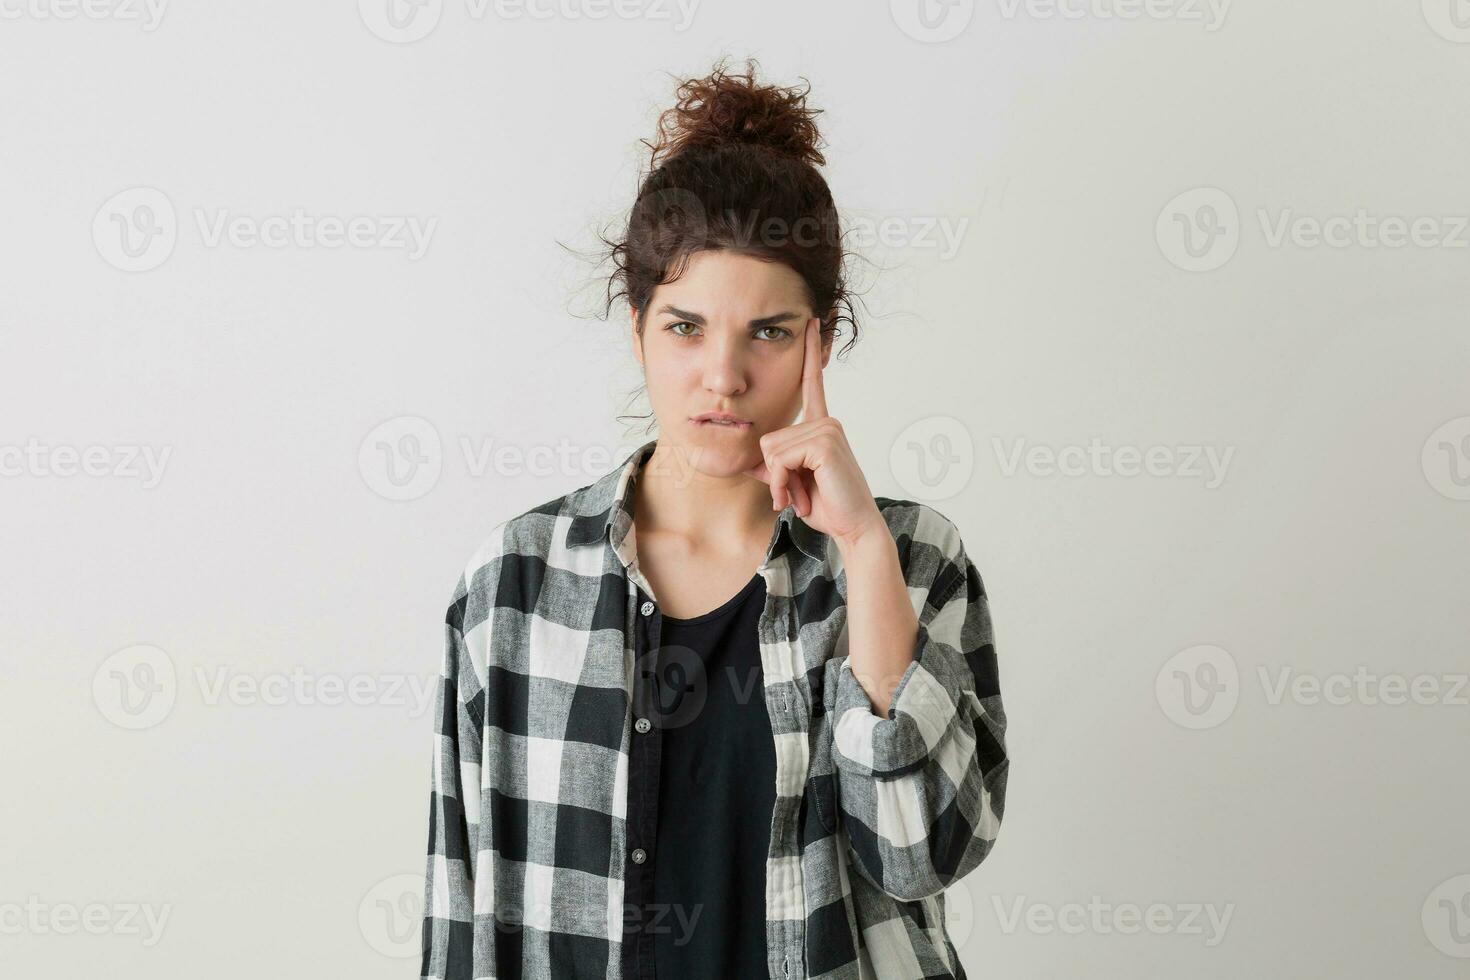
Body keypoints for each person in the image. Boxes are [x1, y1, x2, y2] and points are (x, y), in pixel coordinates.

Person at [420, 57, 1008, 980]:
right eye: (685, 327)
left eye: (769, 332)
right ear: (637, 329)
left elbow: (921, 853)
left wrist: (861, 547)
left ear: (825, 336)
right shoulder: (515, 583)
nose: (724, 377)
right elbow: (463, 911)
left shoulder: (910, 559)